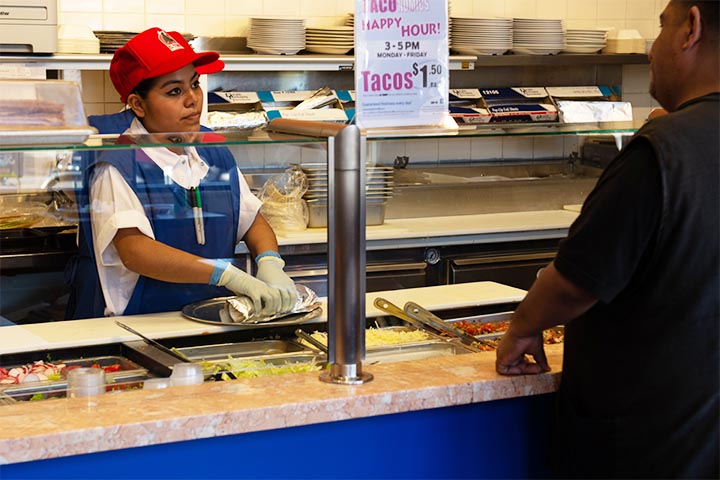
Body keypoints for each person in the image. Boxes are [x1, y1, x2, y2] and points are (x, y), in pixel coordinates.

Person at [495, 1, 719, 478]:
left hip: (651, 444)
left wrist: (522, 327)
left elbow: (577, 280)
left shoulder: (663, 149)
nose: (653, 49)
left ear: (691, 29)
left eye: (661, 27)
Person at [66, 28, 297, 319]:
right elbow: (135, 250)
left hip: (213, 319)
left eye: (195, 84)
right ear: (138, 104)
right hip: (141, 327)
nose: (193, 100)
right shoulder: (117, 164)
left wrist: (270, 262)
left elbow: (251, 219)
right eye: (174, 91)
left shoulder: (212, 150)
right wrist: (226, 275)